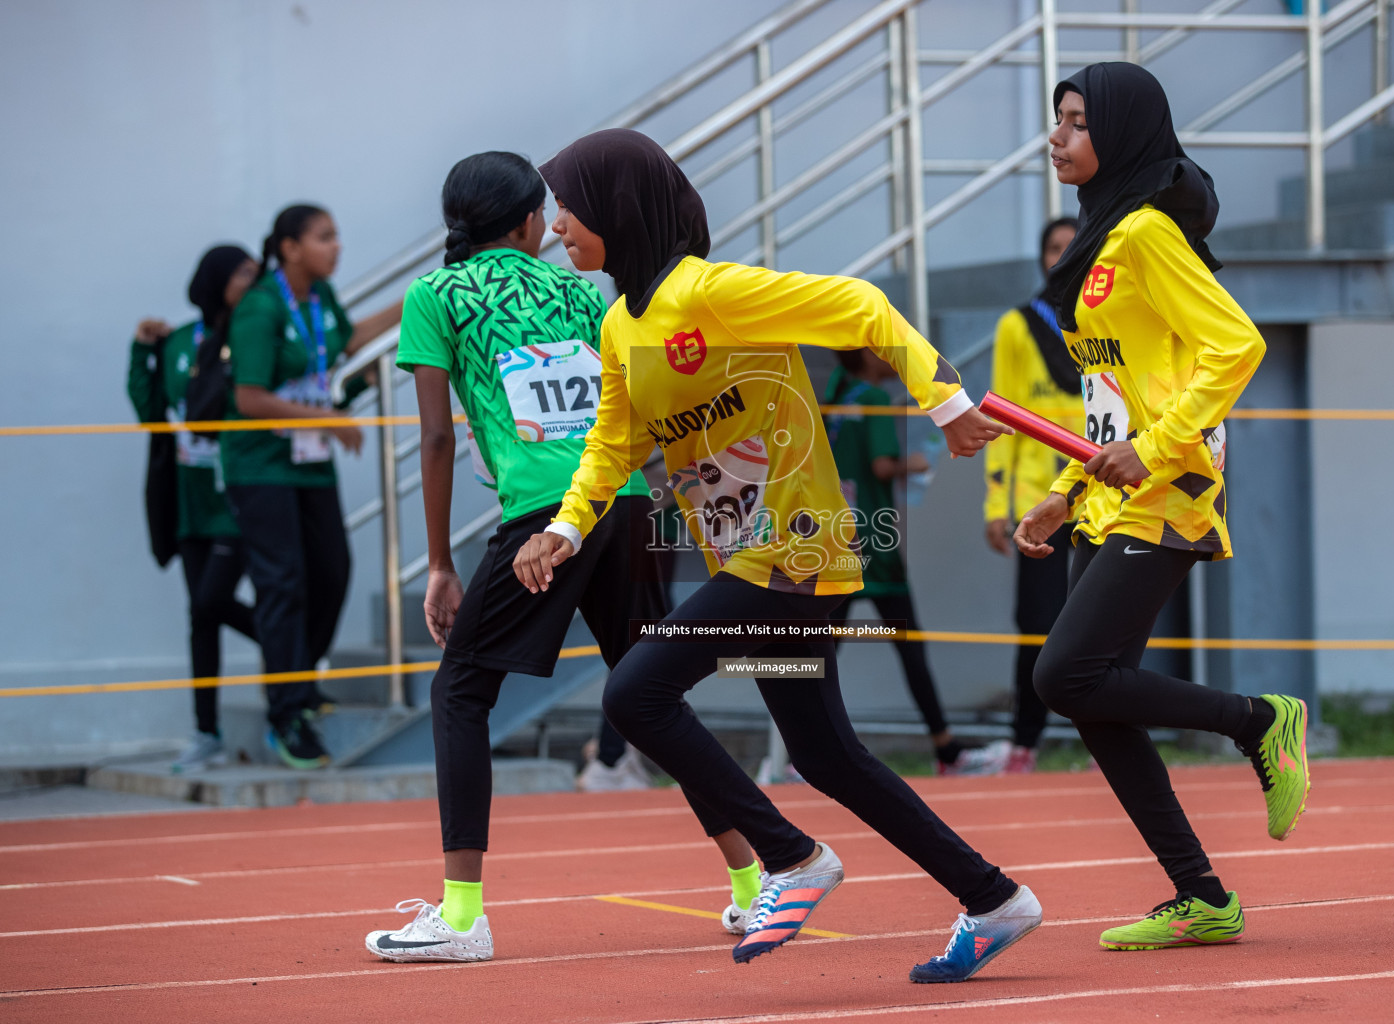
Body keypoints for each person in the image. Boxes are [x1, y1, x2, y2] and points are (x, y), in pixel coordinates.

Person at [514, 129, 1043, 984]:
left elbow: (863, 306)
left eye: (572, 206)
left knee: (636, 692)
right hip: (746, 560)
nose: (560, 224)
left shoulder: (711, 293)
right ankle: (994, 900)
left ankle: (790, 859)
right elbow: (611, 445)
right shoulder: (619, 325)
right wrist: (566, 529)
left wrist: (943, 401)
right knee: (828, 755)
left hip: (795, 551)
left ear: (619, 207)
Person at [362, 152, 763, 964]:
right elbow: (628, 404)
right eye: (546, 211)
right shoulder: (583, 291)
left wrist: (439, 562)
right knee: (650, 694)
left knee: (461, 691)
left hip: (548, 513)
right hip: (617, 503)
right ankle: (758, 883)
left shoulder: (435, 296)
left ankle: (464, 915)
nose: (555, 222)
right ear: (522, 224)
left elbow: (436, 437)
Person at [1016, 62, 1310, 951]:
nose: (1056, 137)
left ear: (1123, 132)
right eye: (1055, 121)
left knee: (1063, 676)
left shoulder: (1145, 233)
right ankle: (1202, 896)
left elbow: (1236, 346)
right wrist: (1065, 492)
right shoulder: (1101, 240)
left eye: (1074, 122)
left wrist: (1155, 447)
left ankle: (1262, 721)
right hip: (1111, 498)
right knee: (1097, 701)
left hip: (1171, 490)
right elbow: (1114, 391)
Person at [221, 204, 401, 769]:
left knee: (333, 570)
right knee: (284, 584)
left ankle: (298, 677)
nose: (337, 247)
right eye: (325, 237)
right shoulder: (260, 306)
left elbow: (348, 341)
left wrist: (420, 299)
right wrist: (327, 419)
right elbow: (249, 398)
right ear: (291, 248)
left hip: (310, 461)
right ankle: (286, 713)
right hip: (262, 465)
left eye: (337, 236)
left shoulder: (320, 299)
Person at [823, 348, 1003, 775]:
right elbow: (882, 466)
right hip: (874, 542)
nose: (890, 354)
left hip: (835, 538)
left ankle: (801, 752)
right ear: (865, 356)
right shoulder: (873, 397)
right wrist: (919, 463)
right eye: (878, 346)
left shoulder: (838, 393)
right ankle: (946, 751)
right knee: (908, 645)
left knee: (824, 650)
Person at [127, 246, 261, 772]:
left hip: (238, 496)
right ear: (216, 280)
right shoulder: (180, 341)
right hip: (189, 502)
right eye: (244, 273)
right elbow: (149, 411)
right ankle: (206, 732)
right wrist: (141, 353)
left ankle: (291, 650)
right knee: (199, 618)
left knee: (210, 602)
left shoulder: (251, 334)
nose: (255, 281)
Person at [982, 216, 1084, 774]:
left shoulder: (1108, 318)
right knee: (1036, 625)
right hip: (1039, 500)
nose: (1061, 256)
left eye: (1072, 246)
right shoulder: (1017, 326)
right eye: (1052, 247)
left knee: (1105, 627)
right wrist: (996, 506)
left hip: (1103, 496)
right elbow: (1001, 421)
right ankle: (1025, 743)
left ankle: (1105, 741)